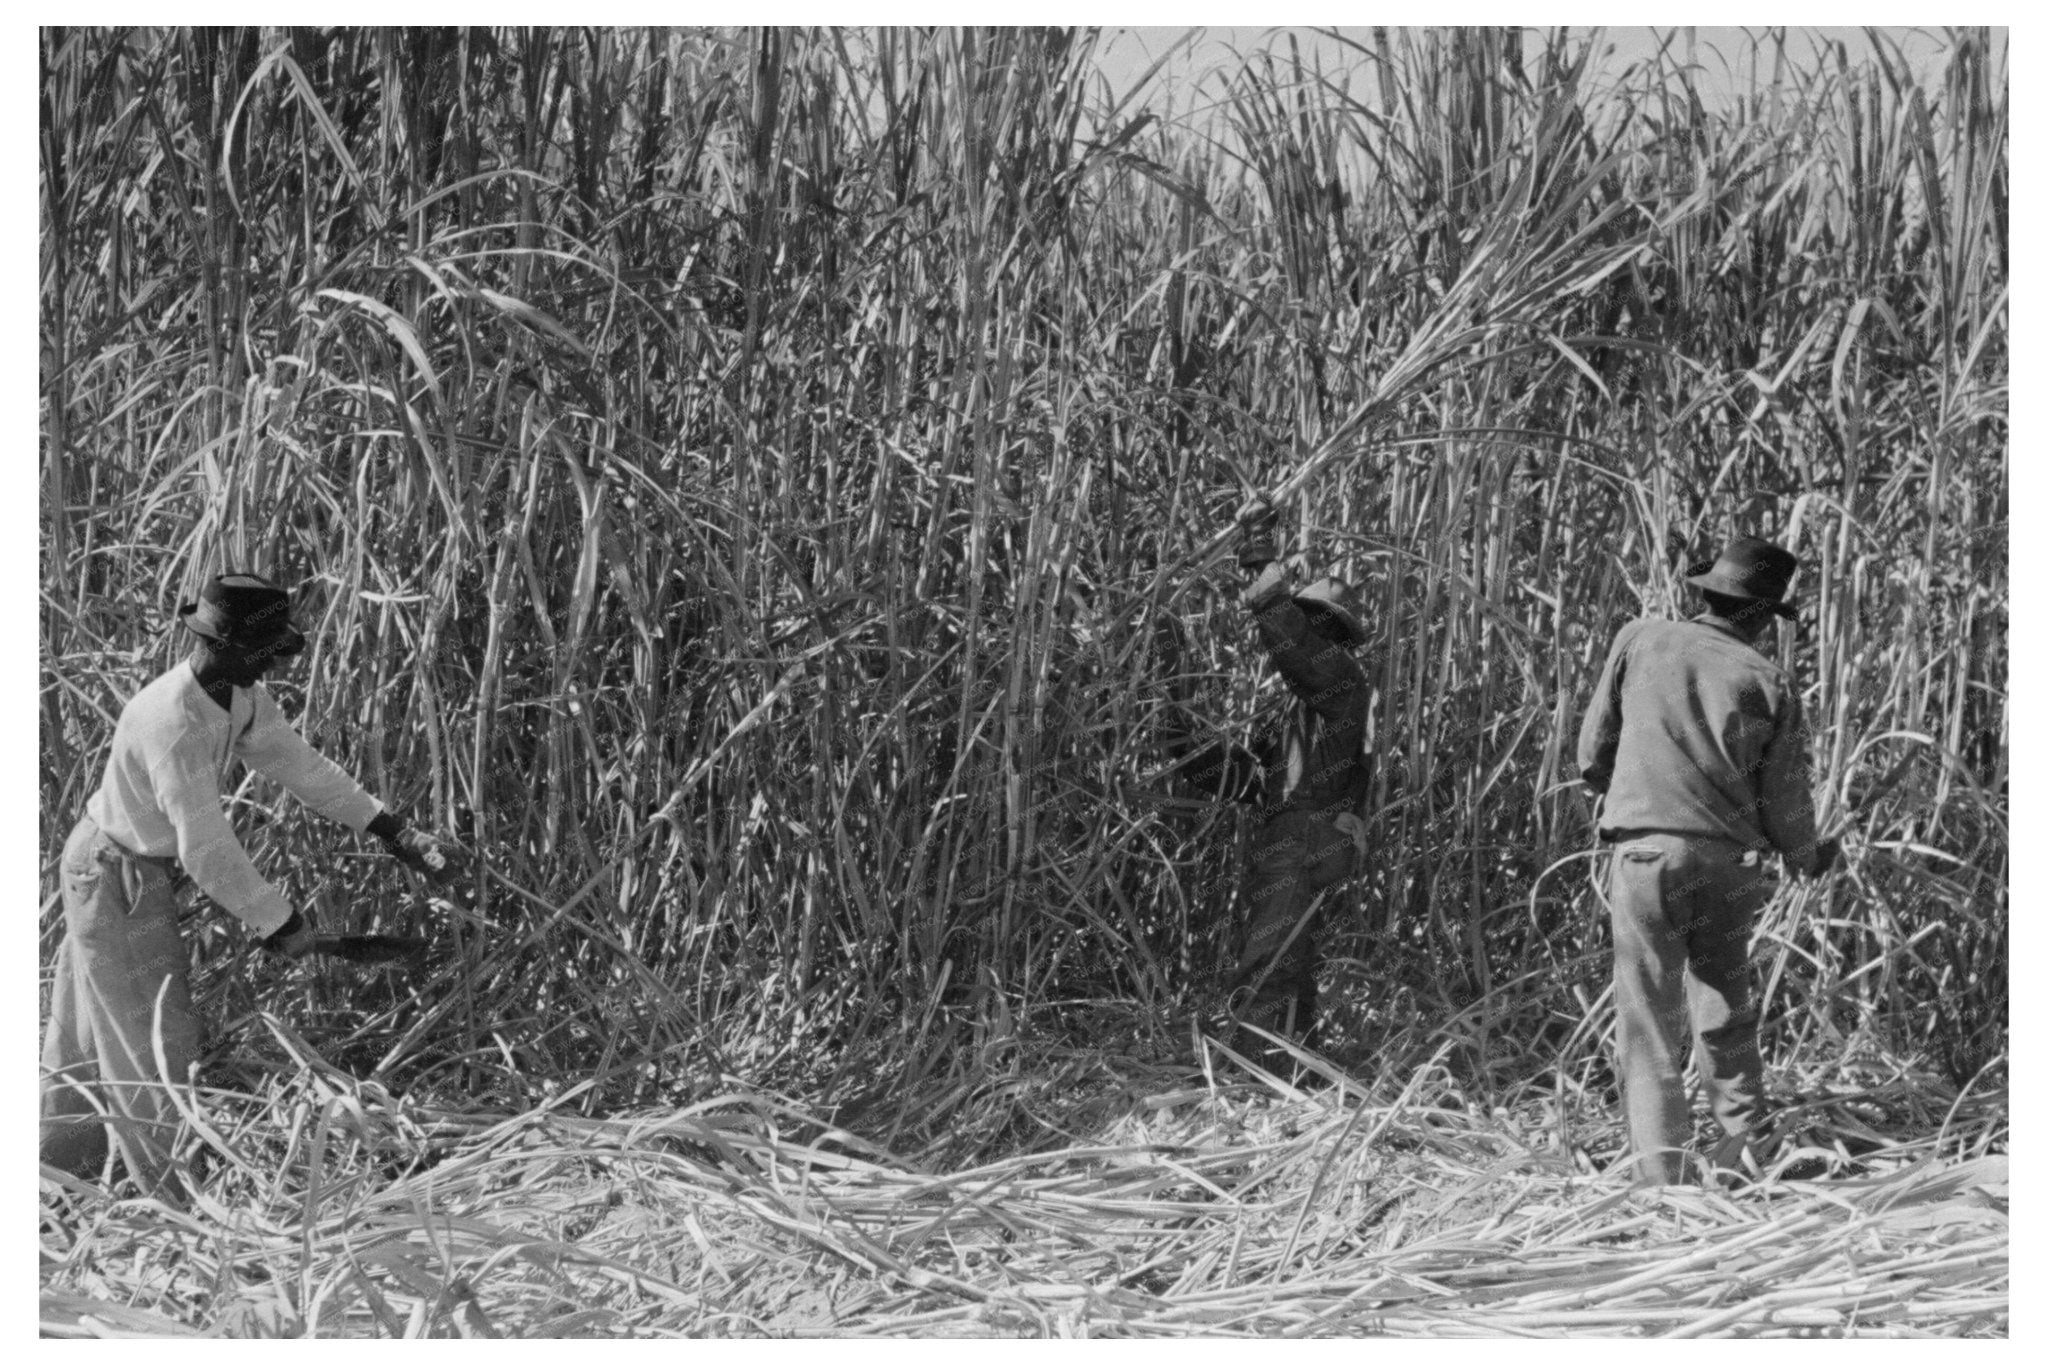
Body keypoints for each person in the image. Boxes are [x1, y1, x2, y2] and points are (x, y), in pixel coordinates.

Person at [39, 572, 465, 1195]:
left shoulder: (236, 695)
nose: (276, 663)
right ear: (228, 645)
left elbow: (301, 766)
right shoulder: (175, 722)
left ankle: (52, 1174)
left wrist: (395, 832)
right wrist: (282, 923)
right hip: (115, 876)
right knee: (155, 1043)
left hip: (113, 868)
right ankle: (176, 1201)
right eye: (268, 650)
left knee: (82, 1037)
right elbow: (206, 848)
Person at [1576, 536, 1840, 1186]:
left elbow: (1592, 751)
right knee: (1726, 1003)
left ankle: (1665, 1184)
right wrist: (1808, 855)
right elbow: (1784, 800)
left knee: (1650, 1015)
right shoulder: (1766, 679)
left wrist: (1629, 789)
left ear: (1708, 595)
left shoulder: (1641, 640)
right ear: (1759, 616)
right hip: (1727, 865)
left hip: (1644, 854)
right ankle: (1744, 1153)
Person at [1219, 499, 1373, 1059]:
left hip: (1306, 837)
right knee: (1290, 950)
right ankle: (1293, 1061)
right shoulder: (1308, 708)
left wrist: (1260, 563)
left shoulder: (1338, 678)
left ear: (1324, 630)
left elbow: (1290, 644)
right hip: (1303, 834)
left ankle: (1249, 1067)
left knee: (1270, 952)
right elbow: (1246, 774)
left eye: (1307, 626)